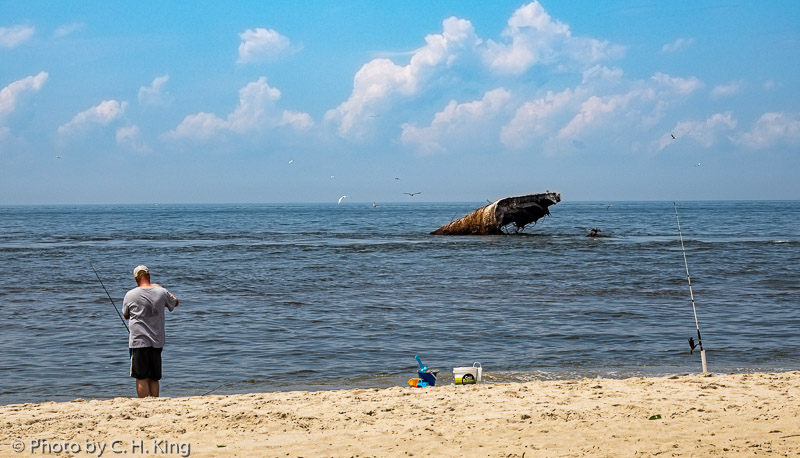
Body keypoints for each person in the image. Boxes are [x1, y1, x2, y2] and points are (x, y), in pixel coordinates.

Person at [122, 265, 179, 398]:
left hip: (138, 341)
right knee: (154, 377)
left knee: (141, 376)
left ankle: (144, 403)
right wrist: (160, 287)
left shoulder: (130, 294)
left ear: (136, 279)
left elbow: (126, 315)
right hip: (157, 341)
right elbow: (175, 302)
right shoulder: (161, 292)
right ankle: (155, 401)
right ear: (149, 276)